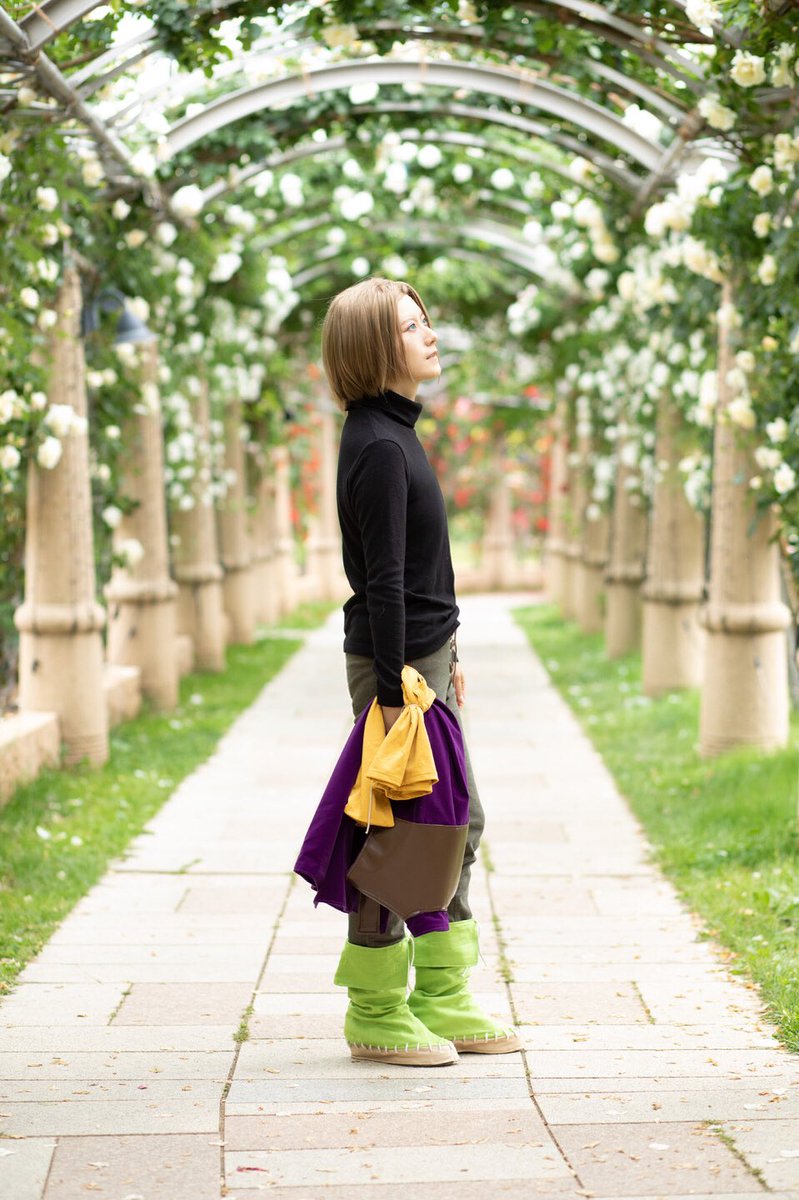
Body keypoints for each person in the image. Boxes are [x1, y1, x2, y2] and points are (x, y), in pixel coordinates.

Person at [321, 277, 522, 1067]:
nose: (430, 334)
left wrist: (450, 655)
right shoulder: (377, 445)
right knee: (398, 834)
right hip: (398, 669)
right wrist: (396, 697)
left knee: (452, 826)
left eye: (425, 321)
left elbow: (420, 568)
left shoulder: (394, 431)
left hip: (423, 660)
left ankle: (442, 991)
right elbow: (384, 583)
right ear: (375, 347)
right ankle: (375, 1007)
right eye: (411, 327)